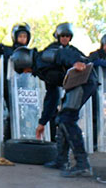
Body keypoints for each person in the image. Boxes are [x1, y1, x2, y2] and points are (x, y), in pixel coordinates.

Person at [35, 23, 97, 177]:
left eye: (67, 36)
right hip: (74, 84)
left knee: (67, 119)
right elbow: (52, 96)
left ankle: (82, 164)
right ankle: (61, 160)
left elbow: (63, 55)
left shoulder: (47, 55)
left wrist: (75, 62)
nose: (65, 38)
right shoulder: (42, 69)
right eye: (62, 36)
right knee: (61, 118)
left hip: (84, 81)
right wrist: (42, 122)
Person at [0, 23, 34, 140]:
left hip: (25, 88)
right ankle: (8, 138)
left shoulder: (31, 53)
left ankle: (25, 136)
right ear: (15, 37)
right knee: (12, 114)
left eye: (25, 36)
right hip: (9, 87)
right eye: (20, 36)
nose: (23, 39)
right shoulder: (8, 51)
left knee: (27, 114)